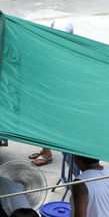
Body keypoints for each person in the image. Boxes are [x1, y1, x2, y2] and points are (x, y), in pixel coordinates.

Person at [27, 20, 75, 168]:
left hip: (55, 91)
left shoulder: (66, 49)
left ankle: (47, 154)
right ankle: (44, 149)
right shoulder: (52, 44)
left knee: (45, 121)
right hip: (47, 88)